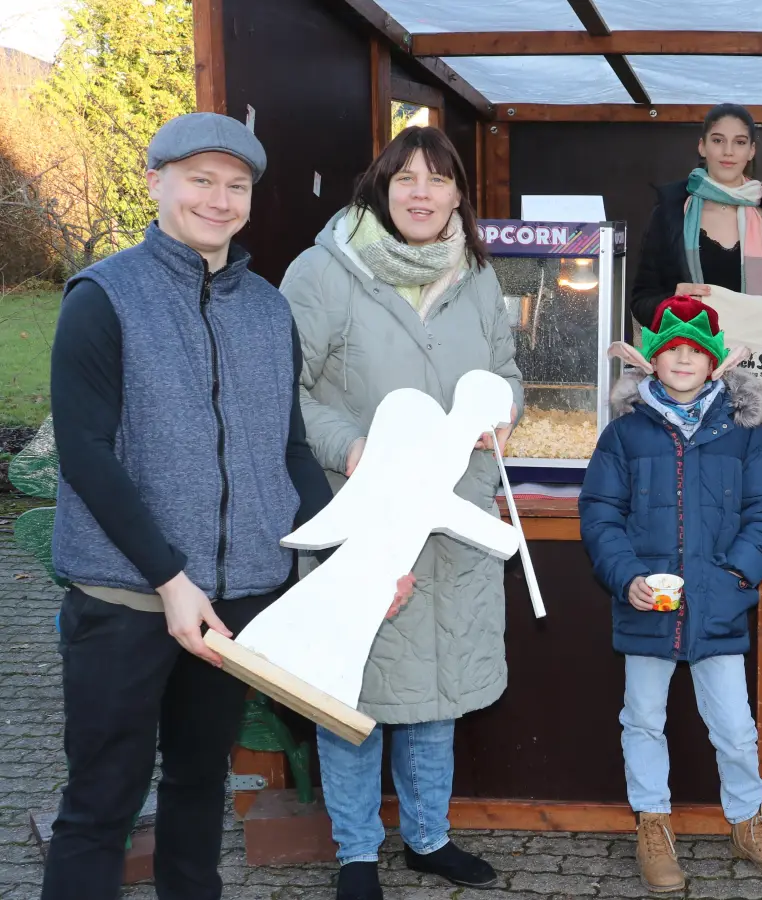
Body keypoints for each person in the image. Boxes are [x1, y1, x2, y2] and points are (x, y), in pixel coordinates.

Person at [41, 113, 341, 900]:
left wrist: (345, 562)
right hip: (126, 598)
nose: (219, 199)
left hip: (237, 596)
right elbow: (86, 456)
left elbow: (292, 453)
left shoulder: (269, 311)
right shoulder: (102, 298)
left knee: (200, 786)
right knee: (101, 803)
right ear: (155, 181)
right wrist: (169, 579)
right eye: (200, 179)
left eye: (236, 185)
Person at [280, 125, 523, 900]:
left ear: (458, 194)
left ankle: (428, 838)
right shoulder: (323, 272)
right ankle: (356, 851)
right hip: (364, 514)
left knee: (435, 686)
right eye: (405, 177)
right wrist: (351, 446)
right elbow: (286, 390)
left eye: (438, 178)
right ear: (381, 189)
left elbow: (506, 369)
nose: (421, 192)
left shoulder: (478, 275)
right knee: (349, 684)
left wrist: (505, 410)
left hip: (452, 513)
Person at [579, 296, 762, 893]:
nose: (682, 358)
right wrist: (627, 577)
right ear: (653, 360)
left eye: (695, 350)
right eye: (671, 348)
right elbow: (600, 512)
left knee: (734, 724)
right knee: (644, 718)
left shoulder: (743, 434)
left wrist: (735, 579)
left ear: (714, 363)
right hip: (647, 603)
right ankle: (653, 823)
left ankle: (748, 820)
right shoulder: (624, 434)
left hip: (719, 603)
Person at [631, 102, 762, 453]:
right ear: (702, 146)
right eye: (718, 140)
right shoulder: (672, 212)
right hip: (685, 381)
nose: (727, 151)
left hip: (752, 381)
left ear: (751, 151)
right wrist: (674, 301)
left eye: (739, 142)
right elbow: (641, 300)